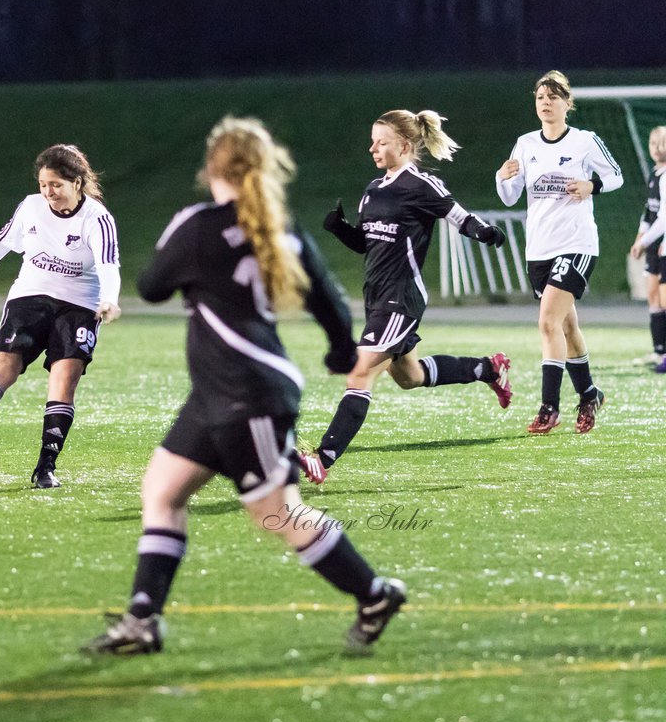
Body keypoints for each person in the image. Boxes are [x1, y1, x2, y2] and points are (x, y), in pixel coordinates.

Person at [83, 115, 405, 657]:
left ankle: (373, 593)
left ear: (211, 167)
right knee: (162, 490)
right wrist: (339, 350)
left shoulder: (198, 224)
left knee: (275, 511)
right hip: (221, 393)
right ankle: (142, 620)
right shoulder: (281, 225)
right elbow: (325, 294)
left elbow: (152, 286)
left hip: (246, 394)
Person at [298, 110, 511, 484]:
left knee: (359, 373)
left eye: (382, 142)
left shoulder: (421, 185)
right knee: (410, 377)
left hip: (402, 296)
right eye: (373, 141)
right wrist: (341, 230)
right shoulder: (373, 190)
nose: (373, 148)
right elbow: (367, 243)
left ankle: (322, 458)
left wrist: (487, 233)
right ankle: (488, 368)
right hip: (377, 296)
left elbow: (460, 217)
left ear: (405, 145)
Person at [0, 144, 121, 488]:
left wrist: (109, 299)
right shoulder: (31, 207)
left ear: (77, 183)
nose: (49, 192)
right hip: (30, 294)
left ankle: (45, 468)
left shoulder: (97, 219)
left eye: (56, 185)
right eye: (43, 184)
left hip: (79, 303)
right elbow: (2, 242)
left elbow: (109, 264)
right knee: (3, 366)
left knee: (63, 380)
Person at [496, 70, 624, 432]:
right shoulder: (525, 144)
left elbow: (616, 176)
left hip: (576, 243)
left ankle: (549, 407)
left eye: (553, 96)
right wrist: (502, 177)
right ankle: (590, 394)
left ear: (568, 103)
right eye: (540, 97)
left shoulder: (585, 141)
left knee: (547, 322)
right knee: (567, 327)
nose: (546, 102)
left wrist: (591, 185)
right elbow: (510, 196)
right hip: (539, 247)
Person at [629, 126, 666, 371]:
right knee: (653, 296)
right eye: (653, 144)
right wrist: (640, 238)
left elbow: (664, 218)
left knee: (663, 298)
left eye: (662, 143)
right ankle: (658, 351)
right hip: (654, 243)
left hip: (662, 243)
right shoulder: (655, 174)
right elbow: (649, 211)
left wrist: (646, 241)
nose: (657, 148)